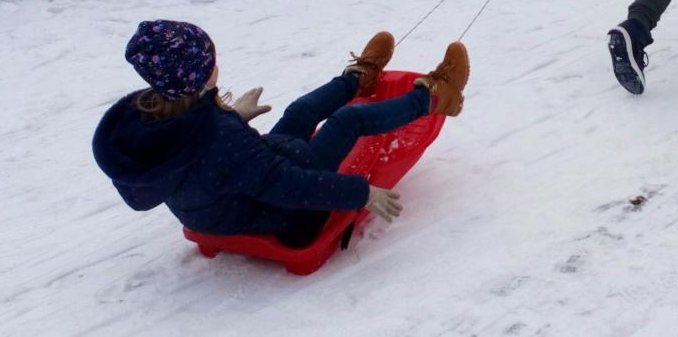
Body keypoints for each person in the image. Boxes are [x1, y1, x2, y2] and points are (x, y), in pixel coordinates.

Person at [92, 21, 469, 247]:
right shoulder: (220, 138)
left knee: (299, 112)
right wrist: (360, 192)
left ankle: (357, 78)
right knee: (346, 123)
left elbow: (204, 158)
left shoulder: (147, 115)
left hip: (226, 203)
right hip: (289, 213)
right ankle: (435, 97)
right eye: (211, 62)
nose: (217, 66)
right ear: (200, 75)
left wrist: (233, 117)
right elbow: (290, 185)